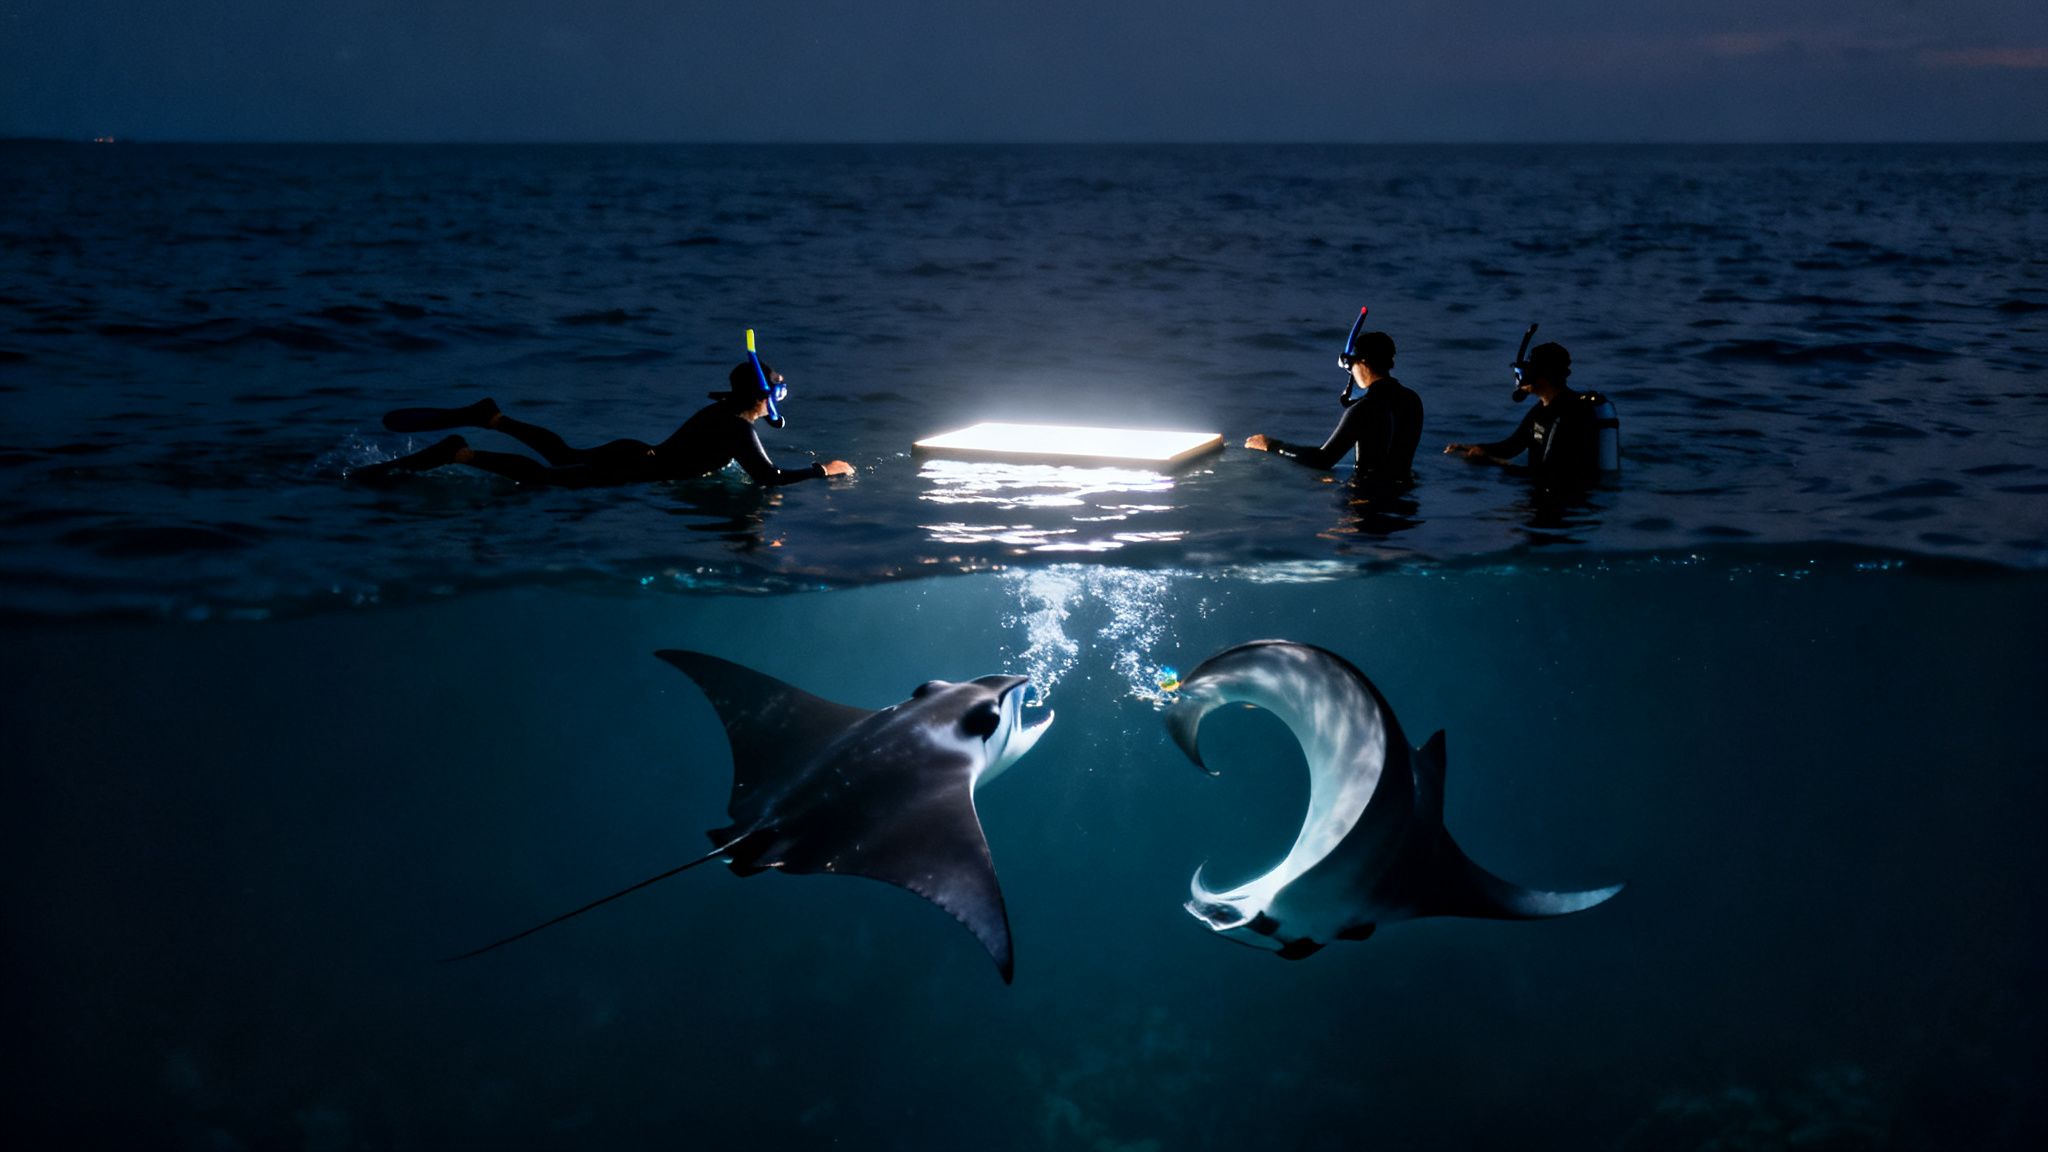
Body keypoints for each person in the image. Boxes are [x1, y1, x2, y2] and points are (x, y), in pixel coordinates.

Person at [352, 361, 853, 488]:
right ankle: (462, 451)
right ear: (763, 397)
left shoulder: (722, 412)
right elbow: (766, 480)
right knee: (544, 479)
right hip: (633, 468)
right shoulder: (739, 428)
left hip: (635, 452)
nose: (780, 401)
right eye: (778, 392)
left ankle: (494, 418)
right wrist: (823, 470)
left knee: (562, 455)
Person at [1242, 330, 1424, 486]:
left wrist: (1274, 446)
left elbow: (1322, 460)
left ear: (1363, 363)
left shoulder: (1364, 408)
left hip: (1370, 503)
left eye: (1350, 366)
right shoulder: (1412, 399)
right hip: (1405, 497)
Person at [1444, 340, 1618, 491]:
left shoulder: (1568, 415)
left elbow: (1546, 474)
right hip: (1543, 492)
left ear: (1541, 377)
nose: (1519, 380)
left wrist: (1490, 463)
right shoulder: (1542, 409)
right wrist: (1469, 448)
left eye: (1524, 374)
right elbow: (1512, 446)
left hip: (1565, 502)